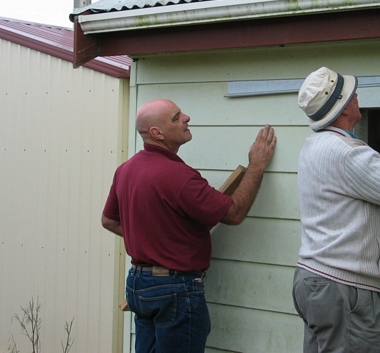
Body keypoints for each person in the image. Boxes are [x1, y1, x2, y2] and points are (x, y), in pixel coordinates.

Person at [101, 98, 276, 353]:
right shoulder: (177, 176)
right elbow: (234, 212)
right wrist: (257, 165)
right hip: (174, 289)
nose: (186, 118)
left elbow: (109, 220)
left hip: (140, 285)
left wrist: (154, 237)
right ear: (156, 133)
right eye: (176, 117)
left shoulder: (126, 170)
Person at [292, 67, 380, 353]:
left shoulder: (320, 146)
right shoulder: (345, 153)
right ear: (345, 108)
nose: (357, 96)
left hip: (321, 283)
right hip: (345, 289)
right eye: (351, 94)